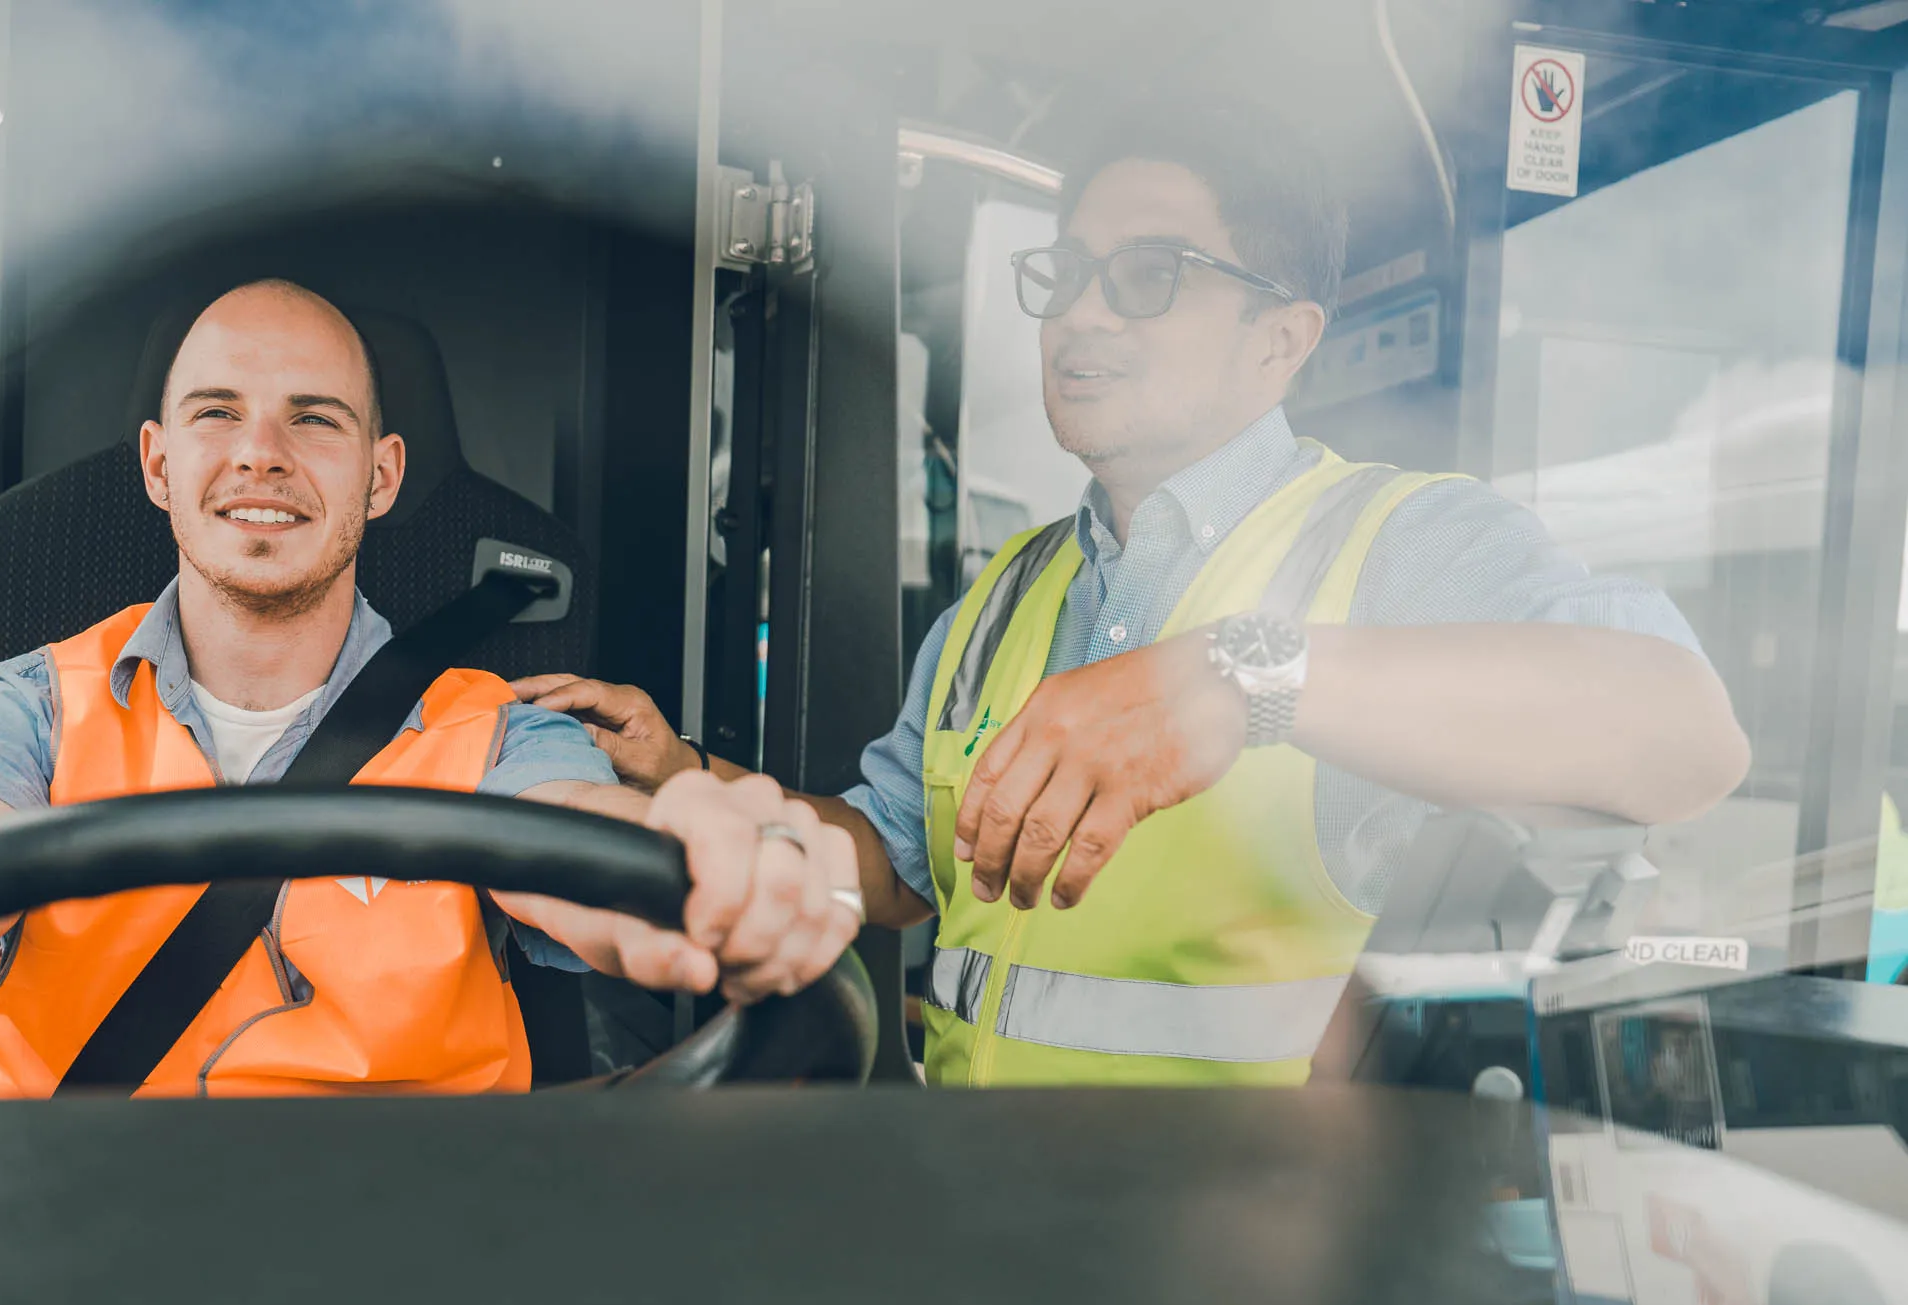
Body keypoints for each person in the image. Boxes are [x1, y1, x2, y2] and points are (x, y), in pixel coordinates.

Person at [516, 112, 1750, 1087]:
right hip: (987, 1233)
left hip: (1238, 1274)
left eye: (1150, 274)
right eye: (1069, 272)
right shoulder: (1000, 601)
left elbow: (1686, 736)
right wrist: (696, 780)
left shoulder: (1395, 543)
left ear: (1282, 339)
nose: (1082, 312)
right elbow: (897, 865)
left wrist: (1246, 676)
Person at [0, 279, 861, 1094]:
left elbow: (603, 865)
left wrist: (714, 881)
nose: (261, 452)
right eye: (216, 413)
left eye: (312, 420)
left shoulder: (495, 726)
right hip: (72, 1240)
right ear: (160, 465)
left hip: (433, 1256)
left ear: (383, 476)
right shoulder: (31, 705)